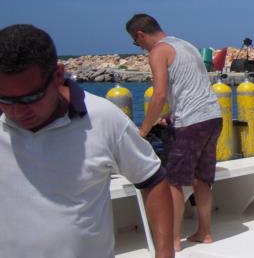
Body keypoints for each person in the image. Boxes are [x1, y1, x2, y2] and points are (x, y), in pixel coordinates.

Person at [0, 24, 174, 258]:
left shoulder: (104, 118)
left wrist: (164, 254)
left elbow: (152, 179)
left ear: (58, 76)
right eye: (5, 99)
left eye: (31, 98)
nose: (17, 111)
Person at [126, 14, 222, 251]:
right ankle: (205, 232)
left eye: (135, 42)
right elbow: (191, 86)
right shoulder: (185, 44)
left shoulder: (158, 52)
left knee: (174, 182)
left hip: (190, 123)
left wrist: (144, 129)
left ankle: (173, 240)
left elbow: (158, 95)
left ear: (140, 34)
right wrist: (172, 113)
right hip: (212, 117)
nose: (138, 47)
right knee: (201, 179)